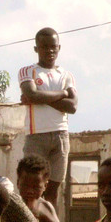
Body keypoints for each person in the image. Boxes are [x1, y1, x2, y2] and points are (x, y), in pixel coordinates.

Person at [18, 27, 77, 206]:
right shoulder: (27, 71)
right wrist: (63, 93)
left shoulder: (66, 75)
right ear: (36, 48)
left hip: (60, 134)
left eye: (53, 47)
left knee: (53, 189)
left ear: (59, 47)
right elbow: (32, 94)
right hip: (36, 135)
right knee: (31, 188)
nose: (49, 51)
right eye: (44, 47)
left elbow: (72, 106)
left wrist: (38, 98)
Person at [16, 155, 61, 222]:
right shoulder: (14, 205)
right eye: (25, 186)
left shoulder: (44, 205)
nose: (30, 191)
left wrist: (42, 215)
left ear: (45, 186)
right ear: (18, 183)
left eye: (36, 187)